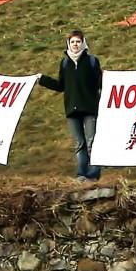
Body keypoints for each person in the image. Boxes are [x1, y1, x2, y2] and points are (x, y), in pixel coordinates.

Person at [37, 30, 102, 182]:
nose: (75, 44)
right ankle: (82, 171)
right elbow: (61, 86)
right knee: (79, 143)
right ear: (68, 44)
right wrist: (42, 79)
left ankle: (94, 171)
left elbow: (99, 82)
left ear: (83, 43)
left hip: (90, 107)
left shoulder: (92, 61)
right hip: (72, 109)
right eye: (72, 42)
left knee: (92, 140)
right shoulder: (65, 63)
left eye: (78, 41)